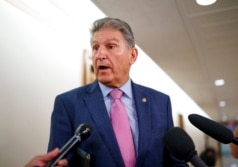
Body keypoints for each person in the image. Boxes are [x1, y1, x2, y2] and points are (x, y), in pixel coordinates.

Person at [47, 17, 187, 167]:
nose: (100, 55)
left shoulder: (160, 103)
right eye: (95, 48)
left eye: (111, 46)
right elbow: (58, 161)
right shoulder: (68, 103)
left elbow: (174, 162)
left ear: (132, 55)